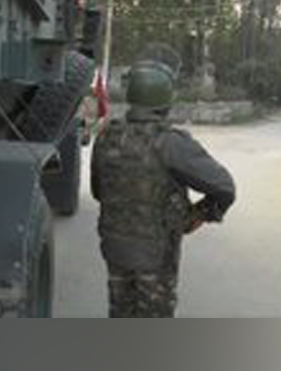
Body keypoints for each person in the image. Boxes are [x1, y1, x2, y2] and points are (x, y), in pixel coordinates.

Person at [91, 60, 236, 318]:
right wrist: (197, 215)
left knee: (120, 312)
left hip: (115, 248)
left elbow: (98, 191)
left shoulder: (106, 137)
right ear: (166, 101)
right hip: (155, 255)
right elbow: (224, 187)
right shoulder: (171, 143)